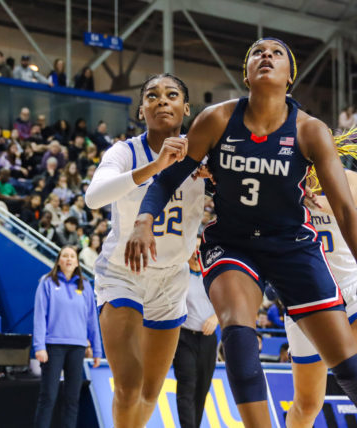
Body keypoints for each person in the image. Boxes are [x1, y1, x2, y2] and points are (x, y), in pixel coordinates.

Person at [125, 38, 357, 427]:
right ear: (246, 73)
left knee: (349, 366)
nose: (266, 56)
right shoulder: (216, 119)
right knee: (238, 333)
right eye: (257, 52)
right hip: (232, 245)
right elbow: (167, 181)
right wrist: (142, 221)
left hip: (292, 248)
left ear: (290, 77)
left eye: (276, 53)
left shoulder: (310, 131)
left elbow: (348, 215)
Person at [84, 73, 205, 427]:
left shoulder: (203, 155)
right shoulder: (124, 151)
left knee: (151, 391)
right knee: (128, 385)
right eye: (152, 96)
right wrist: (156, 168)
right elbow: (94, 197)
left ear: (186, 108)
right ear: (141, 110)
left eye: (171, 95)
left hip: (172, 280)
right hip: (124, 273)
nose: (162, 101)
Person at [284, 163, 357, 427]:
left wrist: (299, 196)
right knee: (308, 403)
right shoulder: (281, 177)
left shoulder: (349, 177)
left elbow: (344, 201)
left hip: (354, 282)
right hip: (307, 293)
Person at [33, 246, 102, 428]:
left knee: (72, 398)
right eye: (65, 256)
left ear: (77, 262)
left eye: (72, 256)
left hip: (77, 347)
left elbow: (91, 319)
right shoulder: (47, 283)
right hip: (53, 346)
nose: (69, 259)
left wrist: (96, 349)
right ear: (58, 261)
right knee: (48, 396)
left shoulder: (85, 286)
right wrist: (39, 346)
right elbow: (40, 316)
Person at [173, 239, 219, 428]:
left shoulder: (214, 276)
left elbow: (228, 304)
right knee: (187, 385)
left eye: (200, 248)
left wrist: (216, 318)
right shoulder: (179, 274)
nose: (196, 252)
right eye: (193, 247)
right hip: (184, 337)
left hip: (208, 340)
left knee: (202, 389)